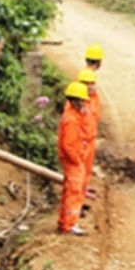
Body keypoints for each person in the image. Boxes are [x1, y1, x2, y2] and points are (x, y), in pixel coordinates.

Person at [57, 82, 92, 236]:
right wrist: (77, 159)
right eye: (82, 100)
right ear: (75, 100)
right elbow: (68, 144)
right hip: (73, 161)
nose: (85, 103)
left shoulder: (71, 115)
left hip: (73, 159)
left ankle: (64, 221)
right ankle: (70, 225)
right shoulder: (71, 120)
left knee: (69, 190)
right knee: (74, 191)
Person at [77, 67, 100, 202]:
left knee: (86, 170)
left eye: (93, 83)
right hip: (82, 143)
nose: (92, 87)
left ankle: (83, 189)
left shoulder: (92, 99)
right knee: (78, 173)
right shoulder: (76, 105)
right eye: (88, 84)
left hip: (89, 140)